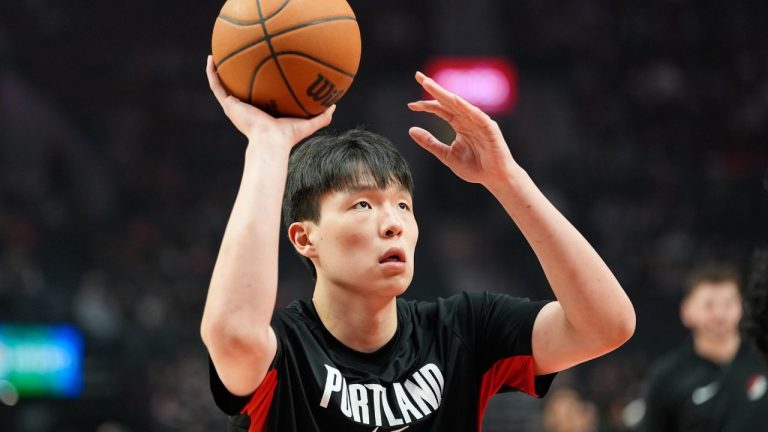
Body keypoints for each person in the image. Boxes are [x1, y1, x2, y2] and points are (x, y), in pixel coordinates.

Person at [200, 55, 636, 431]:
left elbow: (606, 325)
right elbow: (232, 331)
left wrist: (508, 181)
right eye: (363, 206)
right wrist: (267, 146)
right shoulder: (286, 350)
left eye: (403, 207)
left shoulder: (461, 331)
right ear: (304, 237)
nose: (393, 224)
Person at [636, 263, 768, 432]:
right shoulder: (667, 377)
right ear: (687, 311)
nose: (719, 315)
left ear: (741, 308)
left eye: (728, 304)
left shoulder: (762, 359)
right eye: (709, 305)